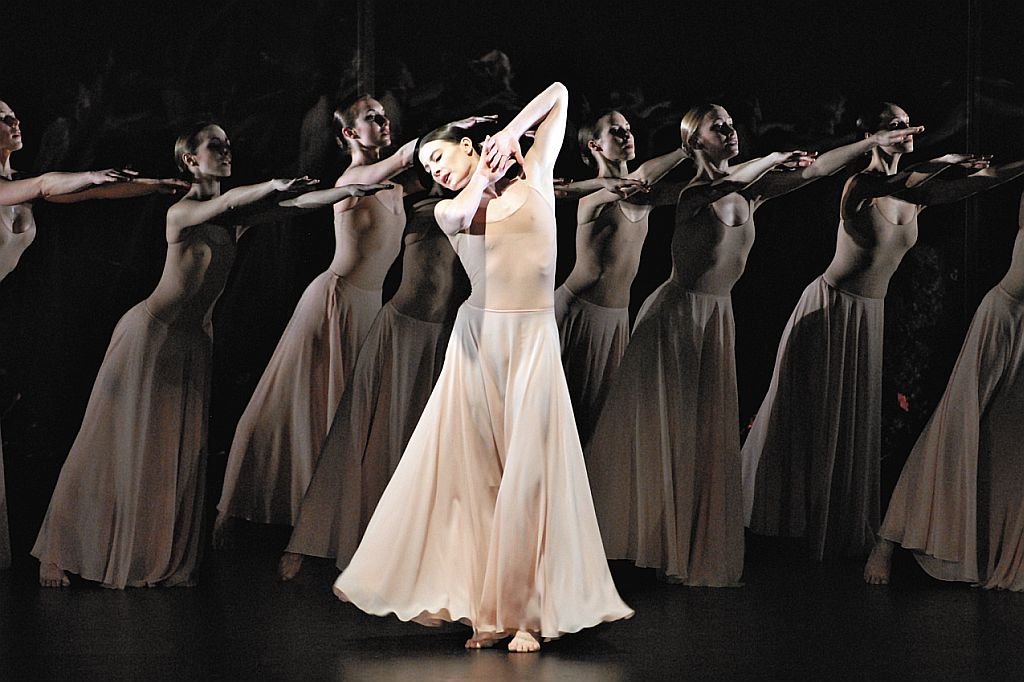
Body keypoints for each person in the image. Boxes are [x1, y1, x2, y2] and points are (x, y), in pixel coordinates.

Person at [333, 83, 633, 653]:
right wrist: (483, 177)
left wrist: (512, 131)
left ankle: (526, 615)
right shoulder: (450, 210)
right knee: (481, 478)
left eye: (440, 156)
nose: (435, 170)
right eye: (427, 167)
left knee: (532, 472)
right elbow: (465, 208)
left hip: (534, 339)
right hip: (480, 341)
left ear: (469, 146)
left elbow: (561, 94)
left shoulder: (537, 173)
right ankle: (487, 613)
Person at [31, 121, 388, 588]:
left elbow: (294, 205)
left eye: (228, 145)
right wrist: (271, 185)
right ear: (190, 160)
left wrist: (348, 191)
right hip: (150, 336)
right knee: (106, 442)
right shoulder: (182, 212)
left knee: (168, 454)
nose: (226, 151)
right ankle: (56, 552)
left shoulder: (233, 218)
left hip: (192, 343)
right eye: (215, 146)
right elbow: (229, 201)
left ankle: (153, 554)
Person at [586, 101, 911, 587]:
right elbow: (724, 185)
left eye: (731, 123)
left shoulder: (752, 192)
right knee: (668, 432)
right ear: (696, 141)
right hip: (676, 318)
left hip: (716, 319)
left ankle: (688, 547)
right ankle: (644, 542)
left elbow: (817, 169)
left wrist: (870, 142)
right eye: (718, 126)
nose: (730, 129)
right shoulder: (695, 192)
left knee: (706, 437)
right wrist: (771, 158)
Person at [743, 101, 1024, 561]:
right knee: (810, 418)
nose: (905, 130)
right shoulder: (862, 185)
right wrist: (941, 160)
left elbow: (981, 181)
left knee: (850, 424)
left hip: (868, 315)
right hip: (830, 309)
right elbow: (895, 181)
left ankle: (833, 528)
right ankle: (784, 528)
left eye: (907, 123)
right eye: (895, 125)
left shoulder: (918, 193)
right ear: (871, 134)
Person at [215, 97, 492, 536]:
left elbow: (447, 179)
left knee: (349, 414)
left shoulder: (395, 187)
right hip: (335, 301)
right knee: (292, 405)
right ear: (349, 134)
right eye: (372, 118)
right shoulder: (353, 178)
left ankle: (339, 514)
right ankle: (241, 510)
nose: (384, 121)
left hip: (370, 307)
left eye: (384, 115)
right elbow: (405, 157)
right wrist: (445, 130)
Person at [0, 99, 186, 571]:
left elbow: (88, 194)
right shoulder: (24, 187)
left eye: (13, 114)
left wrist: (152, 186)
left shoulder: (18, 184)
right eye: (1, 119)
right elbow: (48, 184)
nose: (14, 121)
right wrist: (89, 174)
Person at [278, 194, 470, 580]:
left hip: (440, 338)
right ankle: (307, 542)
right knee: (356, 432)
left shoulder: (478, 203)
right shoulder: (415, 203)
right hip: (397, 331)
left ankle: (407, 549)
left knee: (422, 444)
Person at [863, 189, 1024, 590]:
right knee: (953, 429)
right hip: (1002, 319)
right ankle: (888, 538)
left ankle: (995, 550)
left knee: (1009, 448)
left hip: (1023, 329)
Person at [554, 110, 687, 445]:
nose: (628, 135)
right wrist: (686, 149)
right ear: (595, 145)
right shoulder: (591, 199)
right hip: (577, 314)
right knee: (560, 420)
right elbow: (636, 181)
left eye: (628, 129)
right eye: (616, 131)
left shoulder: (646, 197)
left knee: (597, 426)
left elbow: (701, 189)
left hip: (615, 321)